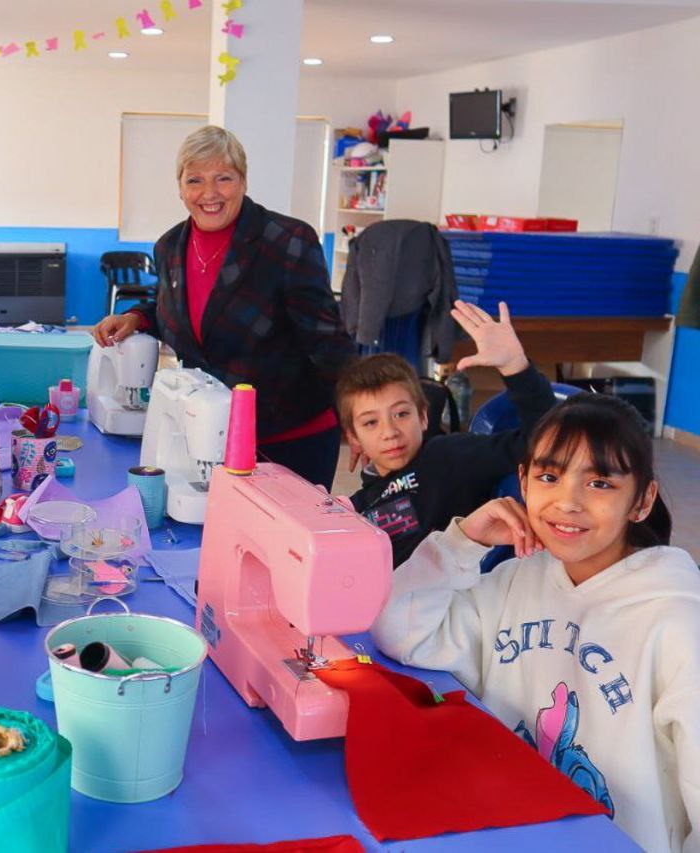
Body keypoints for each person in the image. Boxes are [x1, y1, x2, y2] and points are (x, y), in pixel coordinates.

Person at [372, 395, 699, 852]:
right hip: (505, 829)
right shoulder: (511, 582)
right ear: (523, 482)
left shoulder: (679, 617)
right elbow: (398, 632)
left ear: (642, 500)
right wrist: (460, 544)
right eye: (549, 476)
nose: (568, 502)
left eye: (600, 483)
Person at [92, 125, 356, 489]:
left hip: (289, 440)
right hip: (208, 433)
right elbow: (181, 312)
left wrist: (358, 414)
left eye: (223, 178)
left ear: (243, 181)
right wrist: (136, 318)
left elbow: (329, 344)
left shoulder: (287, 241)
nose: (209, 193)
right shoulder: (170, 247)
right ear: (181, 188)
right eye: (195, 180)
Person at [338, 300, 556, 567]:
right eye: (371, 423)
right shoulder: (364, 499)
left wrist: (515, 366)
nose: (390, 433)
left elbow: (544, 439)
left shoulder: (449, 456)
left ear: (423, 416)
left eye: (401, 414)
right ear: (354, 438)